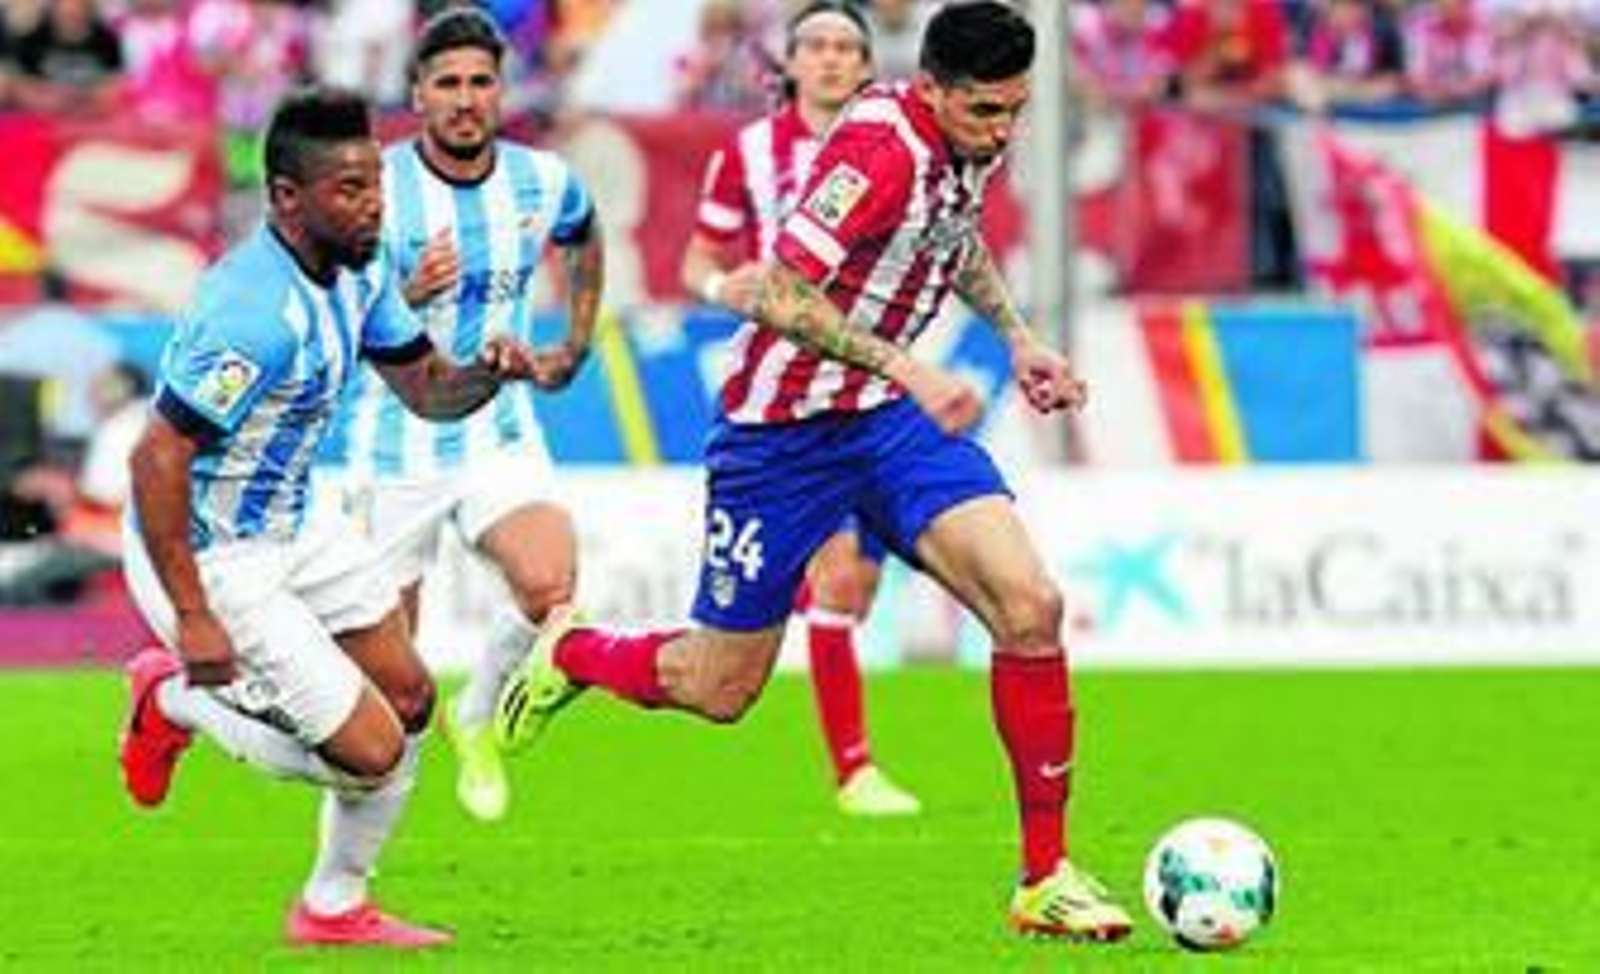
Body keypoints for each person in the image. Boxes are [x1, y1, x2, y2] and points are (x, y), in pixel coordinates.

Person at [498, 1, 1133, 942]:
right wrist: (910, 366)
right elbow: (779, 291)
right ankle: (575, 652)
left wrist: (1019, 337)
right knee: (719, 689)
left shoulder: (968, 139)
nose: (1002, 131)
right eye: (986, 112)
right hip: (780, 438)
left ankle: (1045, 878)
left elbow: (953, 241)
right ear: (932, 91)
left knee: (1029, 605)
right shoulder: (876, 153)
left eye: (1014, 111)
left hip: (885, 425)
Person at [117, 85, 554, 948]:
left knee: (411, 698)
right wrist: (195, 615)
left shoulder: (362, 270)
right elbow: (155, 458)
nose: (373, 205)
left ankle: (333, 906)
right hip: (214, 552)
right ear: (287, 197)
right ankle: (169, 698)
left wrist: (487, 372)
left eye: (375, 183)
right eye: (350, 190)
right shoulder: (254, 315)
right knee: (371, 755)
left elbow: (426, 389)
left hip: (297, 518)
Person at [313, 6, 602, 824]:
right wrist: (403, 296)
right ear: (417, 94)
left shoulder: (542, 180)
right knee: (386, 694)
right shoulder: (376, 188)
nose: (466, 99)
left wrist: (570, 347)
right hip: (391, 446)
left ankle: (475, 716)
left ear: (502, 91)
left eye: (481, 82)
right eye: (447, 83)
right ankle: (345, 875)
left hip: (495, 429)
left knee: (551, 590)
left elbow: (583, 235)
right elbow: (327, 309)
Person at [681, 0, 919, 818]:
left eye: (846, 46)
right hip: (793, 390)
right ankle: (854, 770)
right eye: (814, 44)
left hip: (878, 388)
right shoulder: (748, 152)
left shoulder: (899, 149)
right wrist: (724, 287)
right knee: (837, 576)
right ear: (788, 63)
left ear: (867, 66)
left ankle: (776, 622)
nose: (829, 58)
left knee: (853, 591)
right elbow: (698, 257)